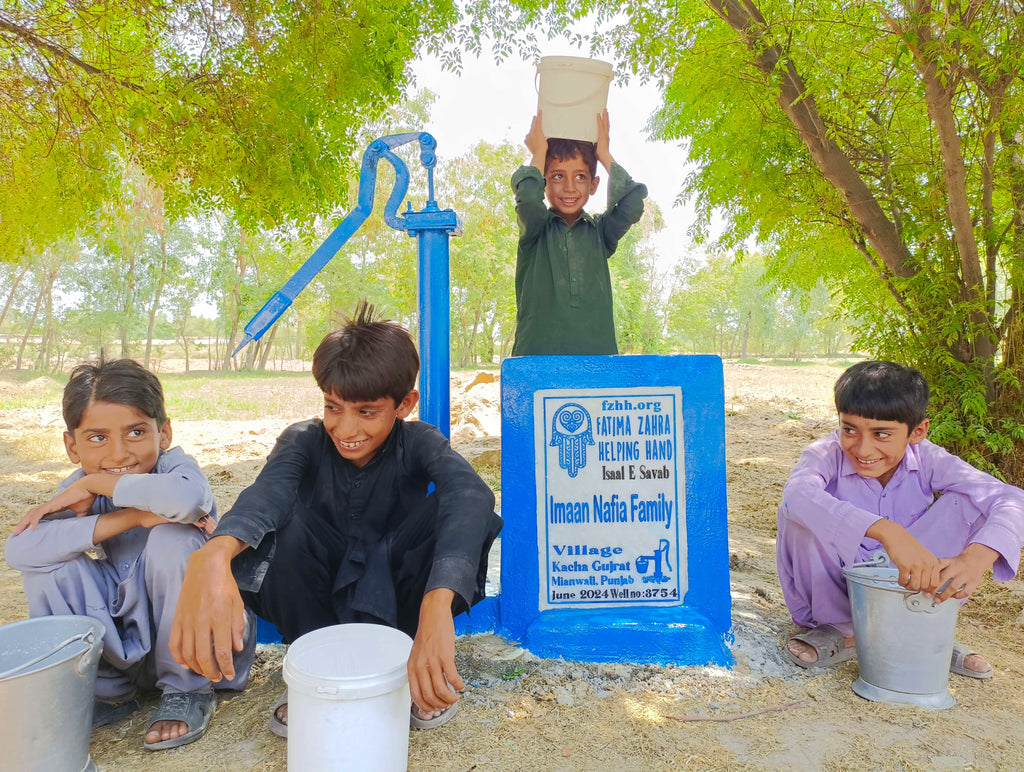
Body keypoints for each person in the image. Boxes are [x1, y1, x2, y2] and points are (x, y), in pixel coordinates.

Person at [169, 301, 502, 737]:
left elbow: (470, 493)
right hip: (315, 593)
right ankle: (312, 671)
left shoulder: (420, 442)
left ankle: (408, 666)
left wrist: (437, 604)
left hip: (396, 594)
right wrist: (211, 555)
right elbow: (265, 495)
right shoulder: (303, 441)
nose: (345, 429)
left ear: (405, 404)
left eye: (366, 412)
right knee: (278, 525)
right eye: (333, 407)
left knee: (459, 510)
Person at [4, 359, 254, 751]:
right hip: (129, 645)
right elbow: (20, 549)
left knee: (173, 535)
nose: (119, 453)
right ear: (72, 445)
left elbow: (185, 502)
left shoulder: (176, 469)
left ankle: (187, 690)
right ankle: (108, 690)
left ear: (164, 432)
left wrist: (100, 481)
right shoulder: (79, 488)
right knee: (51, 567)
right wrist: (133, 516)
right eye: (97, 438)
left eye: (137, 432)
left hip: (200, 646)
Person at [777, 360, 1024, 676]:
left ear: (917, 431)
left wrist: (975, 560)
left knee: (971, 501)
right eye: (849, 429)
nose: (863, 447)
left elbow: (1012, 498)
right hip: (837, 588)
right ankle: (840, 630)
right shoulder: (824, 454)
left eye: (882, 434)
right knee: (800, 511)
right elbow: (796, 494)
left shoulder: (928, 457)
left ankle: (925, 627)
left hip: (911, 587)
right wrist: (886, 532)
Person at [511, 108, 647, 356]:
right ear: (543, 182)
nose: (570, 187)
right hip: (536, 361)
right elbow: (529, 199)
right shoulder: (536, 230)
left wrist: (604, 154)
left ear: (594, 185)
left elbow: (633, 203)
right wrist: (539, 152)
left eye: (581, 176)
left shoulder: (600, 232)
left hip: (597, 362)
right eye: (558, 176)